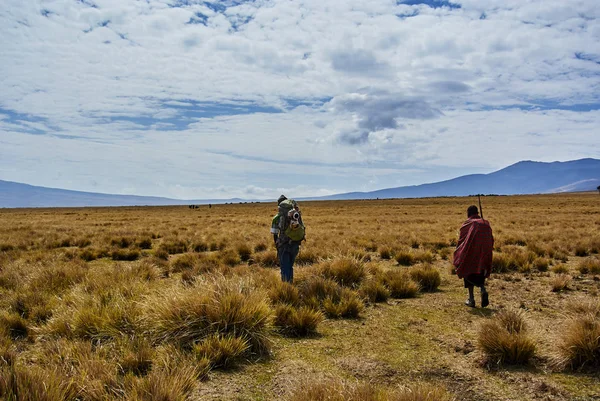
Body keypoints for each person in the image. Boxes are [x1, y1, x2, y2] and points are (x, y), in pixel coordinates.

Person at [453, 205, 494, 308]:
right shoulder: (486, 223)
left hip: (471, 252)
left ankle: (471, 299)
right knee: (480, 270)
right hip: (484, 252)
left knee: (468, 269)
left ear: (468, 213)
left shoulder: (468, 224)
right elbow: (491, 239)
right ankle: (482, 289)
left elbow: (462, 240)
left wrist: (459, 253)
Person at [270, 194, 304, 283]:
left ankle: (286, 288)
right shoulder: (296, 216)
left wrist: (277, 246)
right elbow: (302, 228)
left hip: (283, 245)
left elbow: (275, 234)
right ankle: (290, 284)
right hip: (295, 244)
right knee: (290, 266)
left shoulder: (276, 218)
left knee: (284, 267)